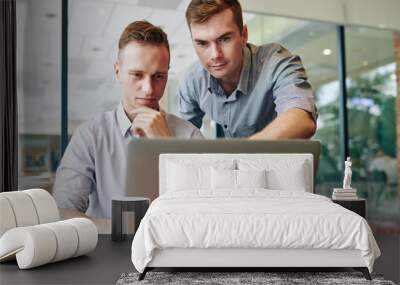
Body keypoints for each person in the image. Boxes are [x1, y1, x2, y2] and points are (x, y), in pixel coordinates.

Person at [53, 21, 203, 219]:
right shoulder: (90, 136)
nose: (149, 89)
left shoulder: (190, 136)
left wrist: (167, 145)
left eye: (159, 76)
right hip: (107, 248)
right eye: (137, 75)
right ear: (118, 72)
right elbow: (63, 212)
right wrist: (122, 232)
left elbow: (202, 213)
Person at [178, 0, 317, 139]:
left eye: (225, 39)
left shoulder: (275, 62)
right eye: (202, 43)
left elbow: (302, 120)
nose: (215, 55)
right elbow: (182, 137)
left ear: (244, 35)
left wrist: (242, 153)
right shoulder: (193, 79)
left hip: (283, 159)